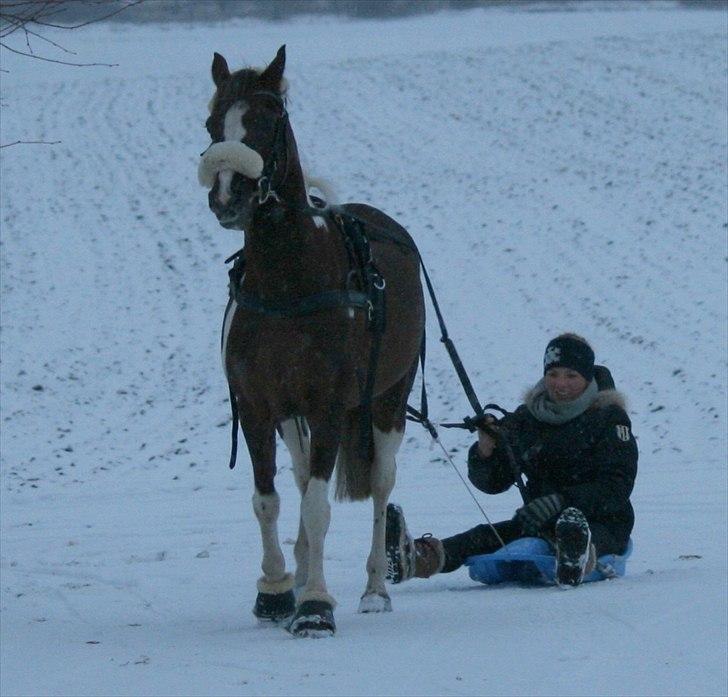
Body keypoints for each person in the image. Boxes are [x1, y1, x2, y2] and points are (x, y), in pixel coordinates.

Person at [386, 333, 638, 587]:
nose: (560, 384)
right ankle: (416, 559)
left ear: (586, 378)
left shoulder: (609, 418)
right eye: (553, 375)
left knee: (578, 531)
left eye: (571, 376)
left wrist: (561, 502)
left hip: (604, 521)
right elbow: (494, 482)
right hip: (540, 519)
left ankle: (578, 554)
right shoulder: (527, 418)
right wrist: (486, 450)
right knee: (483, 536)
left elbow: (617, 485)